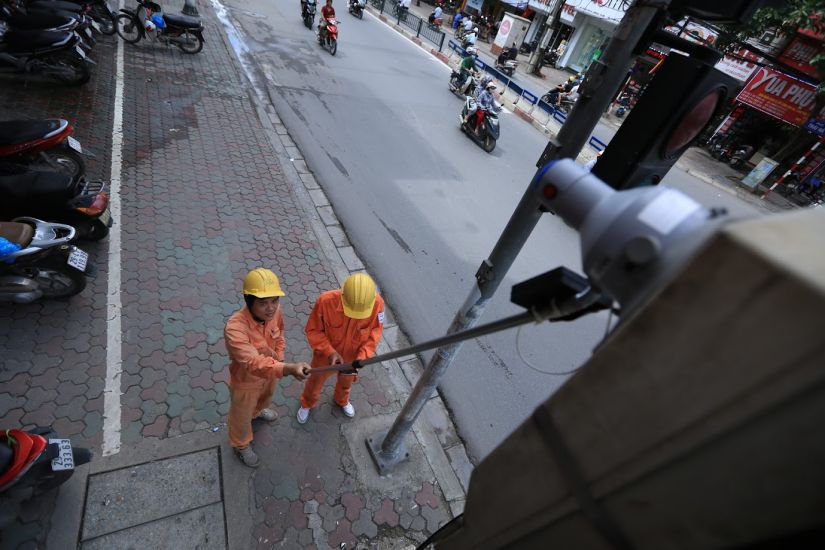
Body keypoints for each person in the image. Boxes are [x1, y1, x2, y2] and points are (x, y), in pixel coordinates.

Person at [225, 268, 311, 467]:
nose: (271, 308)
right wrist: (287, 368)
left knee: (265, 398)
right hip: (246, 381)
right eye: (263, 303)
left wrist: (280, 358)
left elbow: (280, 335)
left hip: (271, 373)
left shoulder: (275, 313)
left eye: (274, 300)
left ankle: (258, 411)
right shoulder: (235, 328)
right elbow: (253, 363)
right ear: (249, 301)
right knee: (241, 416)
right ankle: (241, 445)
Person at [297, 273, 385, 424]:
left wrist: (362, 357)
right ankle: (307, 403)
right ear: (342, 295)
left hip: (353, 358)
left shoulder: (378, 304)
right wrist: (329, 352)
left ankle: (342, 400)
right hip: (325, 357)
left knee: (346, 382)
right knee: (315, 382)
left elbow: (375, 332)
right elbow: (313, 330)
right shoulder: (325, 302)